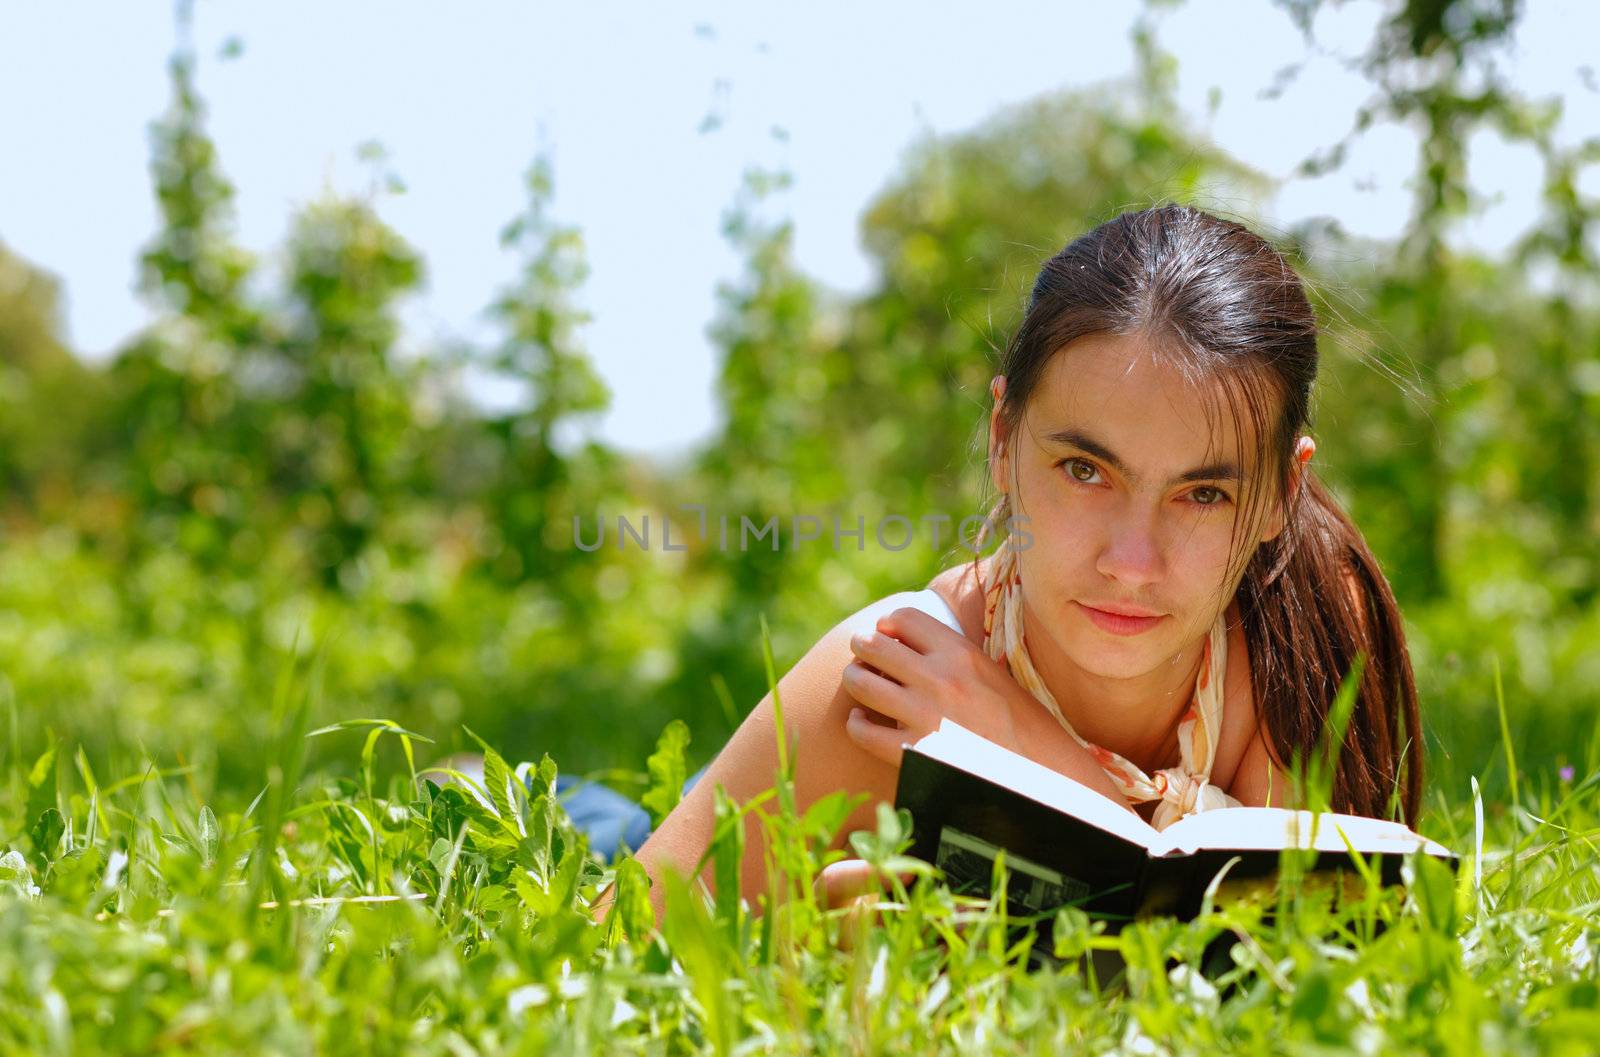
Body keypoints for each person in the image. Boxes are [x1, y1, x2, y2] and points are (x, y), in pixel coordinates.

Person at [586, 202, 1422, 925]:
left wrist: (1021, 749)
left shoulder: (1305, 629)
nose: (1133, 564)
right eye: (1085, 471)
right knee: (597, 825)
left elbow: (1285, 954)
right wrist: (802, 950)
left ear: (1282, 491)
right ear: (1001, 439)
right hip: (698, 805)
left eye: (1203, 493)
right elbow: (616, 944)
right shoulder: (892, 679)